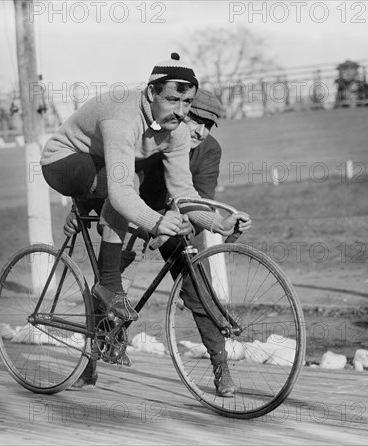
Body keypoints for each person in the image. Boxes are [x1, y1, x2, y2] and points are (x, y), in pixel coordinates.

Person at [67, 89, 252, 396]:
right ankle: (89, 364)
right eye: (195, 120)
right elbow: (116, 180)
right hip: (139, 216)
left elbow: (201, 199)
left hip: (178, 222)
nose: (200, 130)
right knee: (111, 288)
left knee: (198, 290)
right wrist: (82, 210)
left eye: (208, 125)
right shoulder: (154, 135)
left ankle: (221, 368)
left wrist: (211, 223)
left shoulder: (209, 150)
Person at [41, 53, 244, 327]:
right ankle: (109, 286)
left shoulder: (178, 131)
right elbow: (122, 192)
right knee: (126, 185)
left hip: (100, 162)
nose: (181, 111)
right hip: (62, 161)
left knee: (123, 183)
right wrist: (158, 222)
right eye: (172, 100)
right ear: (151, 92)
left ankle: (100, 333)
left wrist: (218, 223)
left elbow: (183, 191)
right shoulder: (123, 117)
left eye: (186, 102)